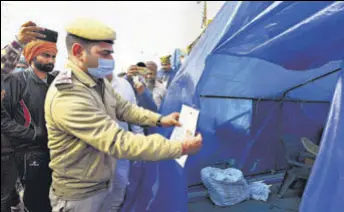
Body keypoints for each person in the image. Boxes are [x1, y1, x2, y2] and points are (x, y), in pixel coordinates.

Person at [45, 18, 203, 212]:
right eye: (104, 53)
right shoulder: (69, 94)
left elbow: (124, 108)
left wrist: (160, 120)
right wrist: (179, 147)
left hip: (102, 182)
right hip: (80, 196)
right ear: (78, 52)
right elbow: (118, 142)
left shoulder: (97, 82)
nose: (111, 60)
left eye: (111, 53)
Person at [2, 36, 58, 212]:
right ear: (32, 56)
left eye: (53, 56)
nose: (50, 60)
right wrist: (35, 135)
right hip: (29, 153)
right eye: (45, 55)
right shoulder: (17, 81)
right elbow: (3, 120)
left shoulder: (57, 82)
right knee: (34, 203)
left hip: (55, 152)